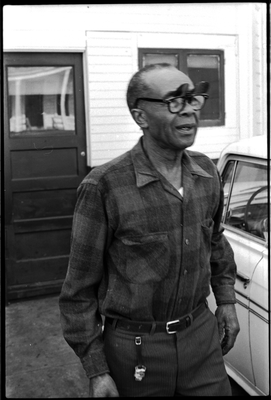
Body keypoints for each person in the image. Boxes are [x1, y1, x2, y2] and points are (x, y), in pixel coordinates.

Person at [59, 63, 240, 397]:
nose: (188, 110)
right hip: (135, 349)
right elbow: (78, 291)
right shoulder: (104, 186)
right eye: (174, 100)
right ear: (140, 116)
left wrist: (226, 301)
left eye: (193, 99)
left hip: (201, 336)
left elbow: (215, 243)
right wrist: (96, 369)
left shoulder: (207, 173)